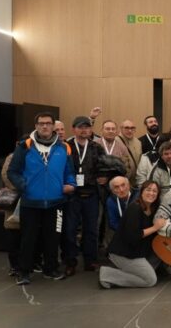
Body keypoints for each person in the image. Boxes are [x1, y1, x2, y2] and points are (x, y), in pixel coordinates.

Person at [8, 112, 76, 285]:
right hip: (30, 202)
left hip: (56, 202)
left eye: (48, 123)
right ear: (36, 126)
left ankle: (51, 269)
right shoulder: (24, 146)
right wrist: (24, 185)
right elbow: (12, 171)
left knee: (53, 238)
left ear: (53, 126)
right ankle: (24, 271)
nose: (44, 126)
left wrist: (71, 184)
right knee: (28, 238)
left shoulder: (63, 148)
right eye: (41, 123)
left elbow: (69, 172)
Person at [99, 181, 165, 289]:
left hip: (138, 251)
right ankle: (108, 275)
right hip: (124, 253)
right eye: (148, 190)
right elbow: (133, 237)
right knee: (150, 280)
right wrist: (155, 228)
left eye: (155, 191)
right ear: (141, 192)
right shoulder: (134, 208)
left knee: (161, 251)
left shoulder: (153, 209)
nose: (151, 193)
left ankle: (137, 271)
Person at [64, 115, 107, 276]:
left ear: (91, 130)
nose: (84, 130)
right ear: (74, 129)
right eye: (80, 127)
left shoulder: (97, 147)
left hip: (92, 194)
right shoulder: (66, 147)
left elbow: (104, 166)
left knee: (91, 230)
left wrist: (104, 177)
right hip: (72, 195)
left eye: (87, 127)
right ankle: (70, 262)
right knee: (70, 230)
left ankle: (90, 260)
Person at [118, 119, 142, 186]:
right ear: (121, 129)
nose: (130, 130)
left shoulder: (138, 142)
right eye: (126, 128)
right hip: (121, 181)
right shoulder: (115, 141)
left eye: (132, 128)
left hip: (135, 181)